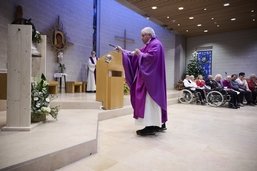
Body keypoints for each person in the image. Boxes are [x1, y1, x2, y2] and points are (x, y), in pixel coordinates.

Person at [116, 27, 167, 136]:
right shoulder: (149, 45)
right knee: (150, 103)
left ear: (149, 35)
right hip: (150, 80)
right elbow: (135, 54)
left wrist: (141, 55)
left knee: (150, 102)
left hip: (152, 81)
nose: (141, 37)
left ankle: (151, 126)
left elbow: (152, 58)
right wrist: (123, 51)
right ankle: (155, 124)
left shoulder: (156, 44)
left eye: (143, 35)